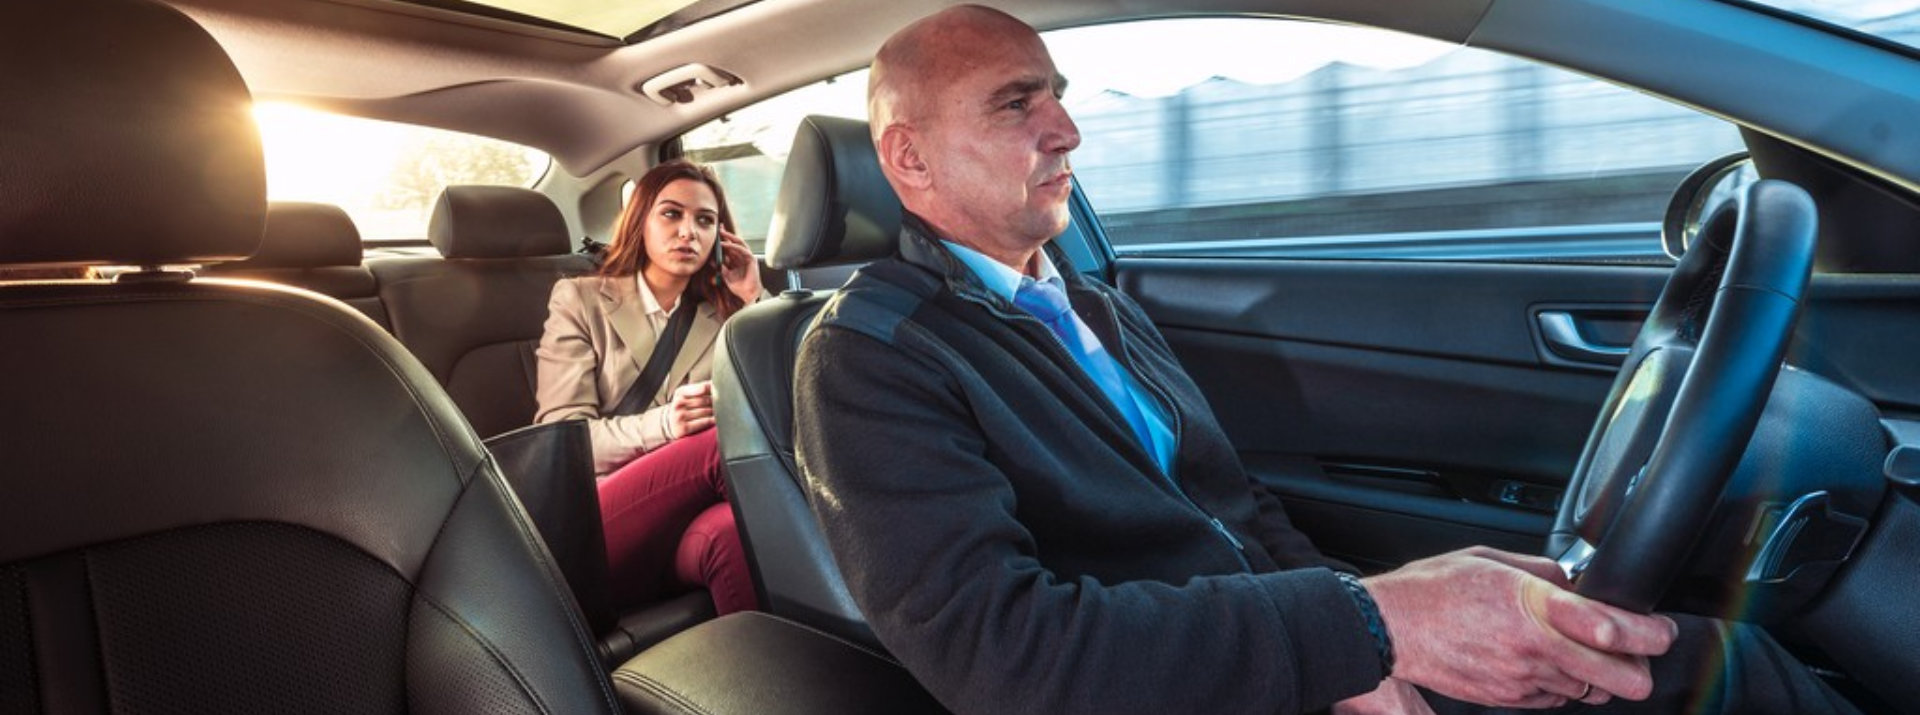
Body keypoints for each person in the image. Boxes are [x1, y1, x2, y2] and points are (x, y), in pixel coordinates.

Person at [792, 6, 1861, 715]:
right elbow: (1002, 653)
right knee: (1697, 678)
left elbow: (1238, 506)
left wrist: (1365, 625)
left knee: (1689, 655)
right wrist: (1361, 631)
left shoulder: (1095, 304)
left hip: (1284, 662)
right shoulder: (871, 359)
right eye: (1016, 103)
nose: (1067, 127)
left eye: (1059, 93)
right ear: (909, 158)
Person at [535, 159, 763, 616]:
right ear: (641, 220)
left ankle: (777, 676)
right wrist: (666, 425)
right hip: (595, 522)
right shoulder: (581, 300)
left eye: (705, 220)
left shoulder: (724, 313)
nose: (688, 232)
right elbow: (564, 442)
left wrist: (755, 300)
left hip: (680, 519)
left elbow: (778, 400)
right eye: (671, 214)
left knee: (727, 532)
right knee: (724, 443)